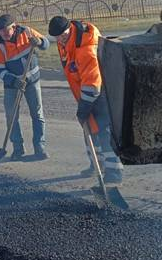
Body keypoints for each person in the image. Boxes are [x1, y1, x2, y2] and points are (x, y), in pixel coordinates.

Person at [48, 16, 123, 183]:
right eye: (57, 37)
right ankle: (96, 165)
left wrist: (84, 106)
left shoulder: (86, 47)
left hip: (100, 94)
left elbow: (92, 82)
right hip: (85, 94)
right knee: (89, 130)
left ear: (70, 29)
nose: (60, 40)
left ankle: (114, 172)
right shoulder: (66, 40)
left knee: (103, 133)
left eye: (63, 35)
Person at [0, 14, 50, 160]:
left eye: (6, 30)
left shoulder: (28, 32)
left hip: (32, 81)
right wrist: (13, 81)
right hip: (12, 86)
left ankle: (40, 147)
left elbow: (47, 44)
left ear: (14, 26)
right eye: (0, 31)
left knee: (37, 115)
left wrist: (40, 42)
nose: (3, 34)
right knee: (11, 118)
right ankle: (18, 149)